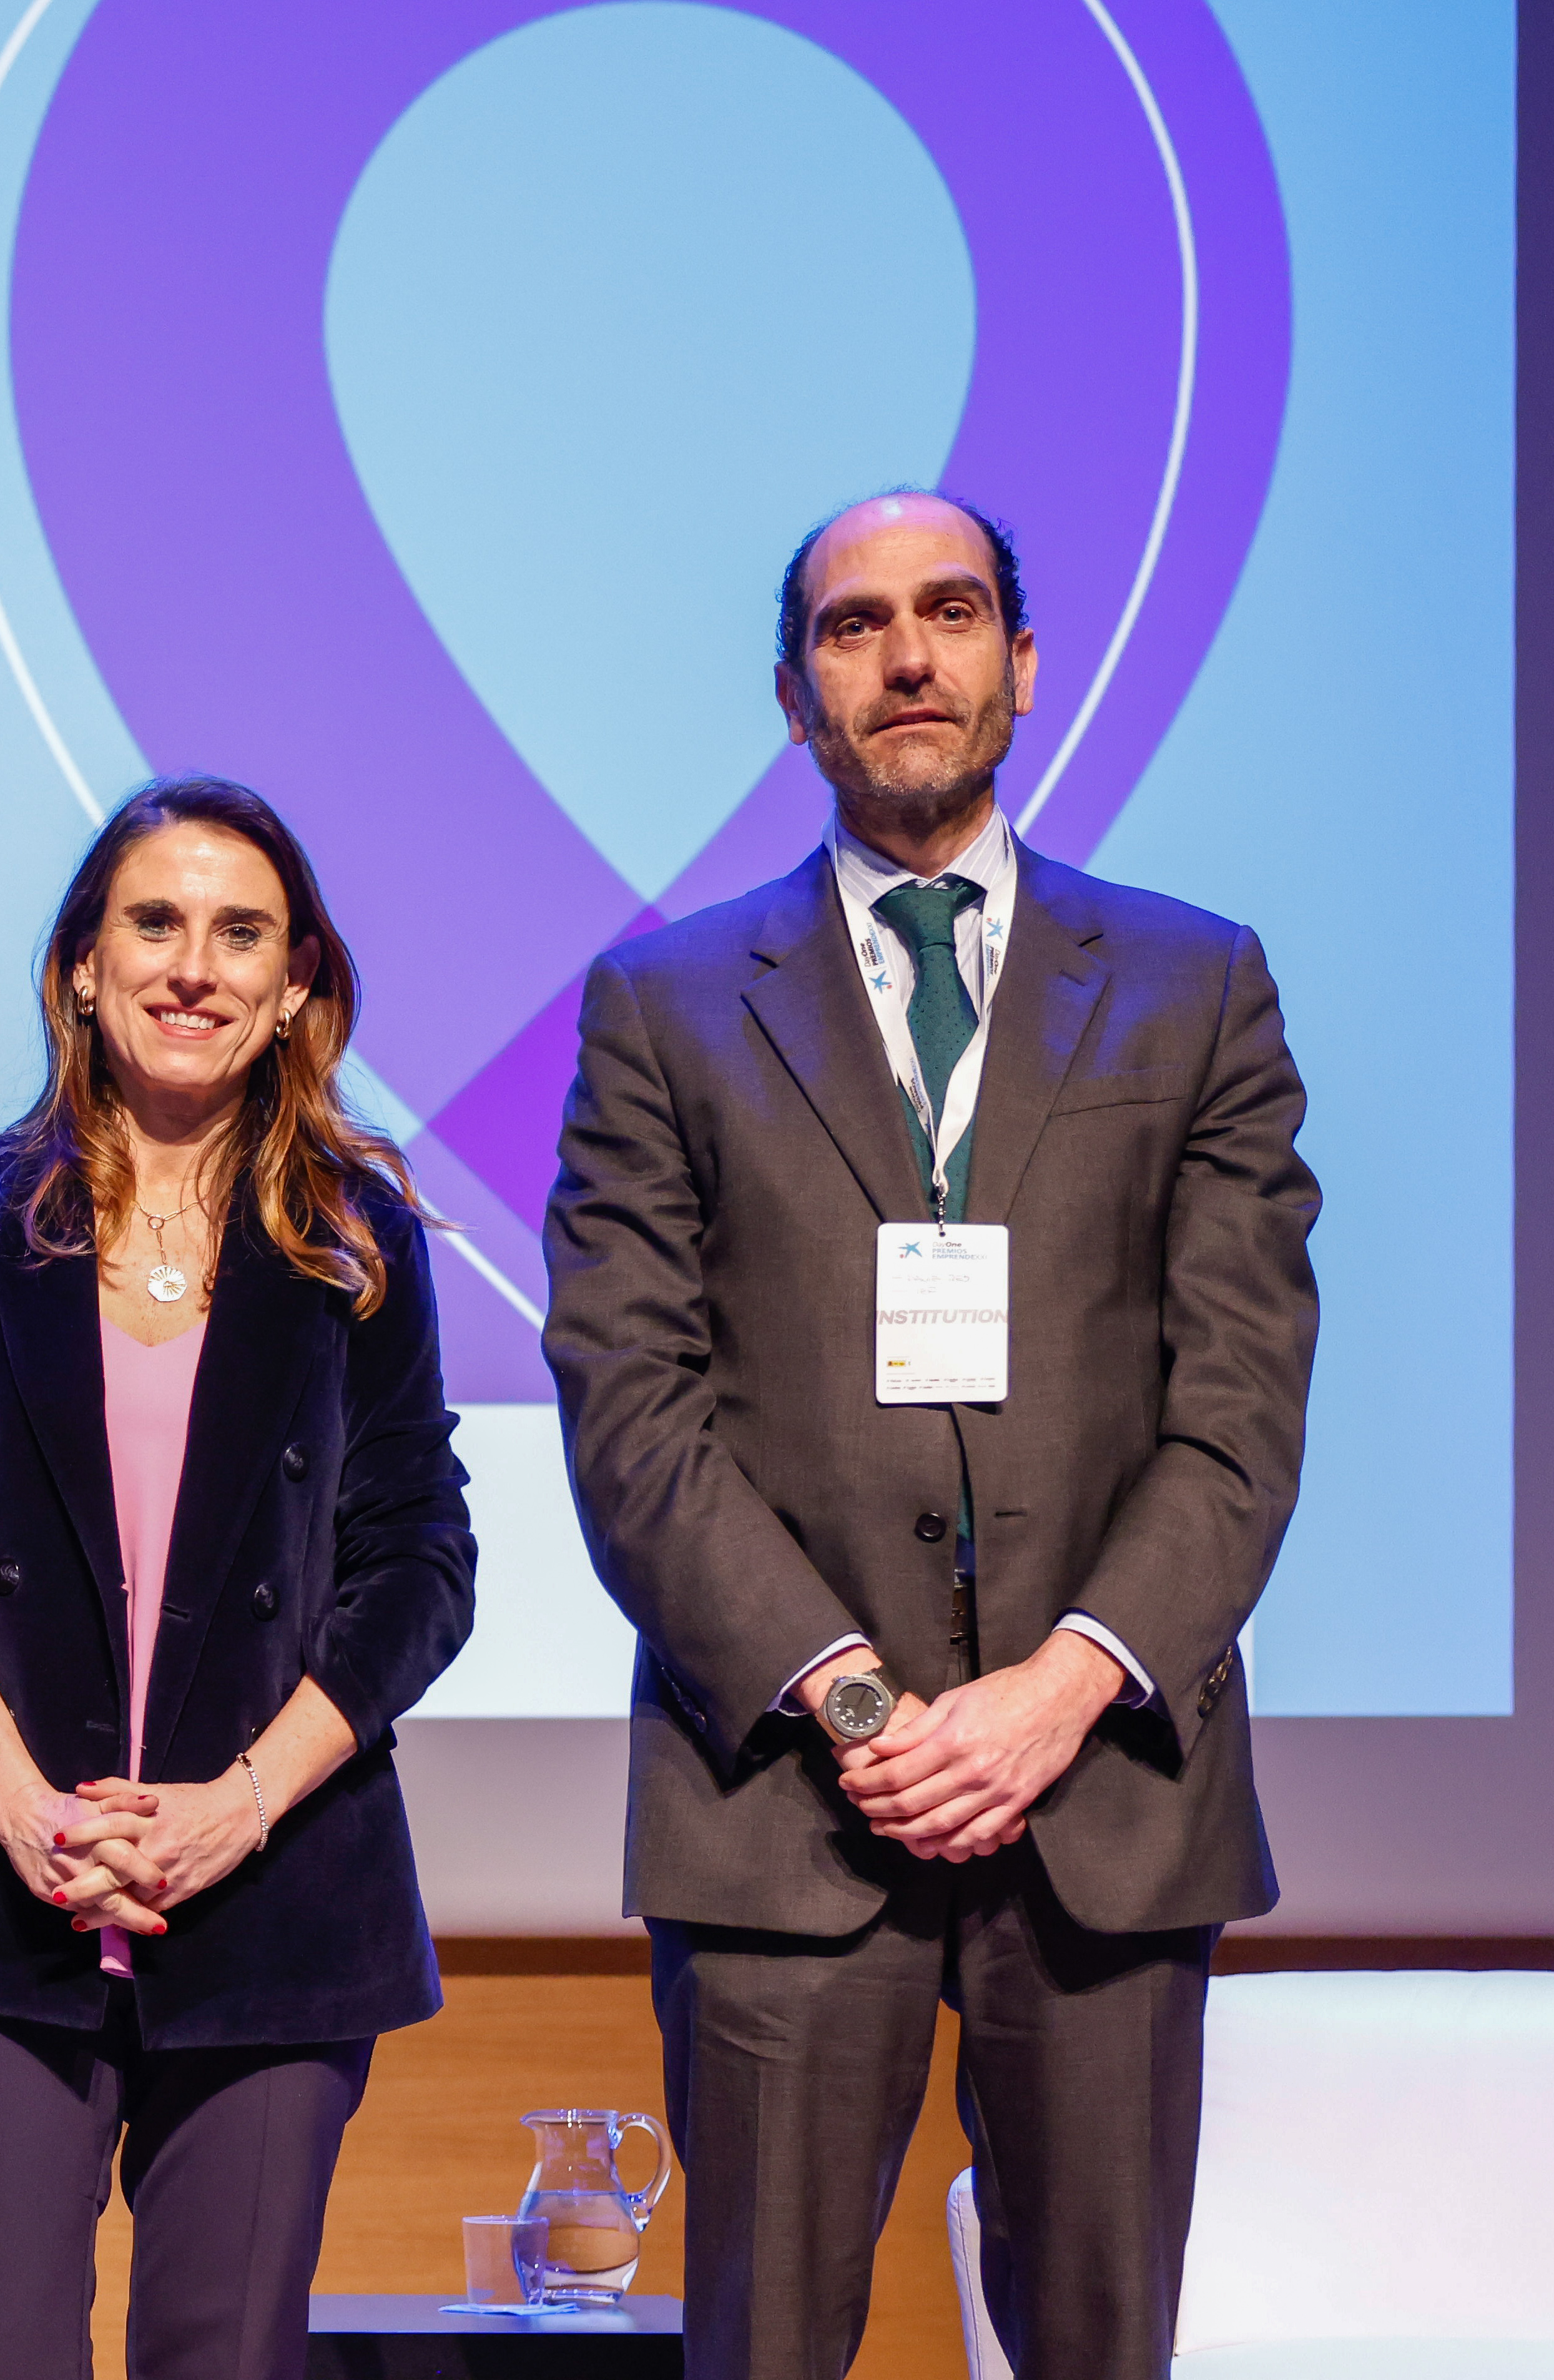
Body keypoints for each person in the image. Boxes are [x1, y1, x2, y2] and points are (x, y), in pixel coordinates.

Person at [541, 492, 1318, 2380]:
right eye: (852, 625)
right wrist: (864, 1708)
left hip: (1108, 1793)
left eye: (950, 612)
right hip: (790, 1805)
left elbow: (1238, 1405)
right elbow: (630, 1404)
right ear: (793, 697)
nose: (906, 656)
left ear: (1021, 665)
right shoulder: (661, 1006)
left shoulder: (1191, 982)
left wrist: (1056, 1688)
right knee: (764, 2345)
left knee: (1097, 2346)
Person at [0, 778, 476, 2380]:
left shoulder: (354, 1238)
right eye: (153, 925)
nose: (192, 966)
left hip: (273, 1902)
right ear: (80, 973)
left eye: (239, 932)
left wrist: (232, 1808)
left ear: (294, 982)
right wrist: (28, 1808)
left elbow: (419, 1564)